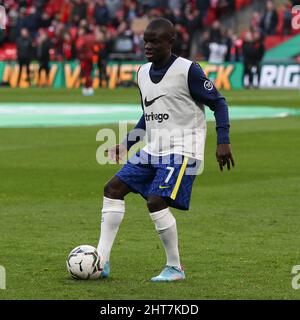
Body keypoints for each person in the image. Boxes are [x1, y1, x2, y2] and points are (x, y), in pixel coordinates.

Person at [97, 18, 234, 282]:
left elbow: (219, 103)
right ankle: (101, 261)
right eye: (146, 40)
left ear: (170, 42)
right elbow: (148, 114)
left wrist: (222, 140)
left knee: (156, 200)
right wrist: (127, 143)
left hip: (183, 150)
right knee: (112, 189)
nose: (148, 46)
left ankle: (175, 268)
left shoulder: (188, 71)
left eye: (155, 41)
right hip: (153, 149)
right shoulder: (141, 73)